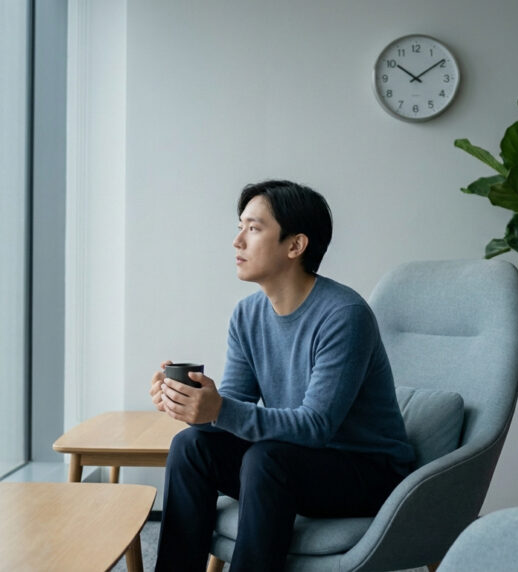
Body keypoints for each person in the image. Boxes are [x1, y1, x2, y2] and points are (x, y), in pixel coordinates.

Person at [149, 180, 415, 571]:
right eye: (239, 227)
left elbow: (316, 426)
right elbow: (233, 412)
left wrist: (219, 410)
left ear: (295, 246)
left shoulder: (344, 315)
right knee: (191, 446)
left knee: (267, 458)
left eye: (254, 229)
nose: (238, 241)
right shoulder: (247, 315)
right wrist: (192, 408)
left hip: (368, 471)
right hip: (294, 461)